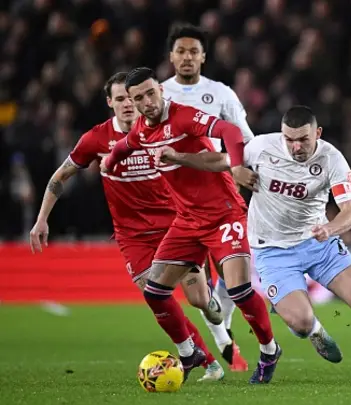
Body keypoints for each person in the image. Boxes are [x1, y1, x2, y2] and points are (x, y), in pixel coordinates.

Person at [155, 105, 351, 385]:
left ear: (317, 133)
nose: (295, 146)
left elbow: (350, 211)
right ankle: (313, 329)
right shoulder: (261, 147)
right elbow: (216, 161)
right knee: (301, 323)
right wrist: (180, 157)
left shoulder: (332, 159)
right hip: (272, 251)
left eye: (303, 139)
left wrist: (330, 228)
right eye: (289, 139)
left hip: (319, 244)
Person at [29, 72, 225, 382]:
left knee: (200, 301)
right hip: (132, 235)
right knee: (155, 295)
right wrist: (41, 220)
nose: (127, 105)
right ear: (111, 103)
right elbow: (60, 176)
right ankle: (200, 358)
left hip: (175, 225)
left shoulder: (161, 131)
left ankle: (209, 306)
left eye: (130, 98)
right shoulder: (95, 139)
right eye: (119, 99)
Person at [102, 67, 281, 384]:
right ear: (131, 101)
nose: (147, 102)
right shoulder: (142, 130)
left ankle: (269, 349)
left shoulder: (183, 116)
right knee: (156, 293)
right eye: (138, 98)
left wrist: (236, 166)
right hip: (186, 222)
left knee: (238, 290)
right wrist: (110, 161)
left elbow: (229, 131)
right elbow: (124, 145)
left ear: (160, 89)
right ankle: (189, 353)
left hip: (223, 213)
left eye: (150, 93)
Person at [161, 22, 252, 372]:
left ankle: (224, 328)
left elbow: (243, 138)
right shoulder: (157, 95)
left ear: (203, 57)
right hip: (173, 198)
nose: (187, 57)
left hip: (219, 191)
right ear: (171, 56)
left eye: (193, 52)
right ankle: (221, 339)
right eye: (181, 51)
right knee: (195, 286)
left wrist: (242, 172)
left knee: (231, 272)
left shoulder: (222, 94)